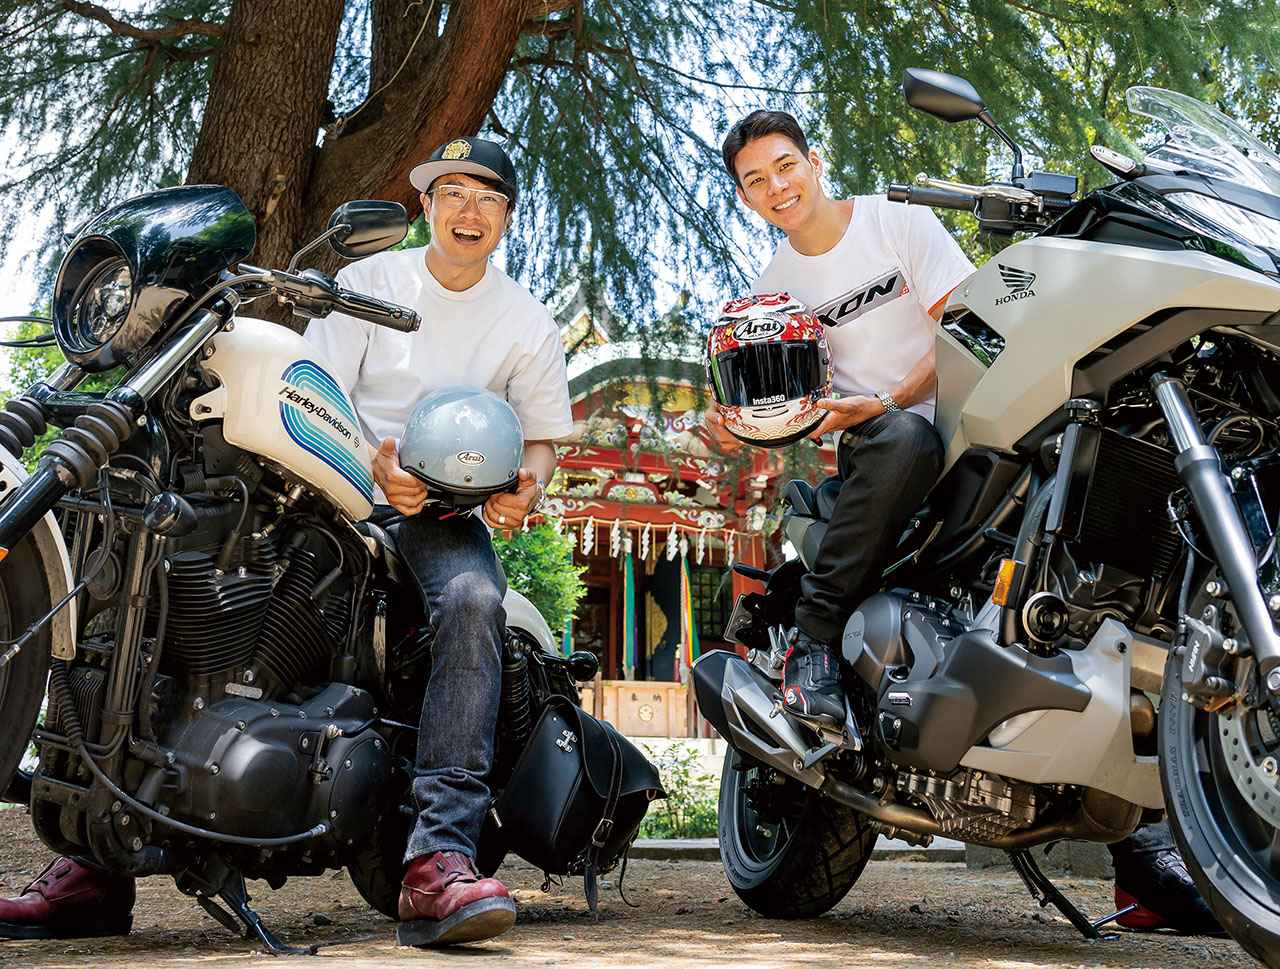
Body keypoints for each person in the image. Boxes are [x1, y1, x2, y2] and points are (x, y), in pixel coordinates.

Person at [0, 136, 573, 949]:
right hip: (338, 484)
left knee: (475, 600)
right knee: (138, 573)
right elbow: (319, 387)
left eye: (487, 197)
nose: (468, 210)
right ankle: (97, 863)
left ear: (507, 216)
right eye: (452, 193)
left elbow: (544, 436)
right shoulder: (371, 280)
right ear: (429, 205)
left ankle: (438, 854)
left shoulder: (525, 318)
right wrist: (379, 460)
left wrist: (526, 485)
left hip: (436, 511)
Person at [707, 108, 1221, 936]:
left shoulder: (895, 221)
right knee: (903, 435)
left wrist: (892, 395)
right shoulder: (776, 286)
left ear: (814, 160)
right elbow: (795, 396)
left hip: (967, 424)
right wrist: (765, 417)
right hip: (888, 450)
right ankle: (811, 638)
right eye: (755, 181)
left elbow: (964, 325)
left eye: (784, 166)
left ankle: (1145, 852)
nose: (776, 189)